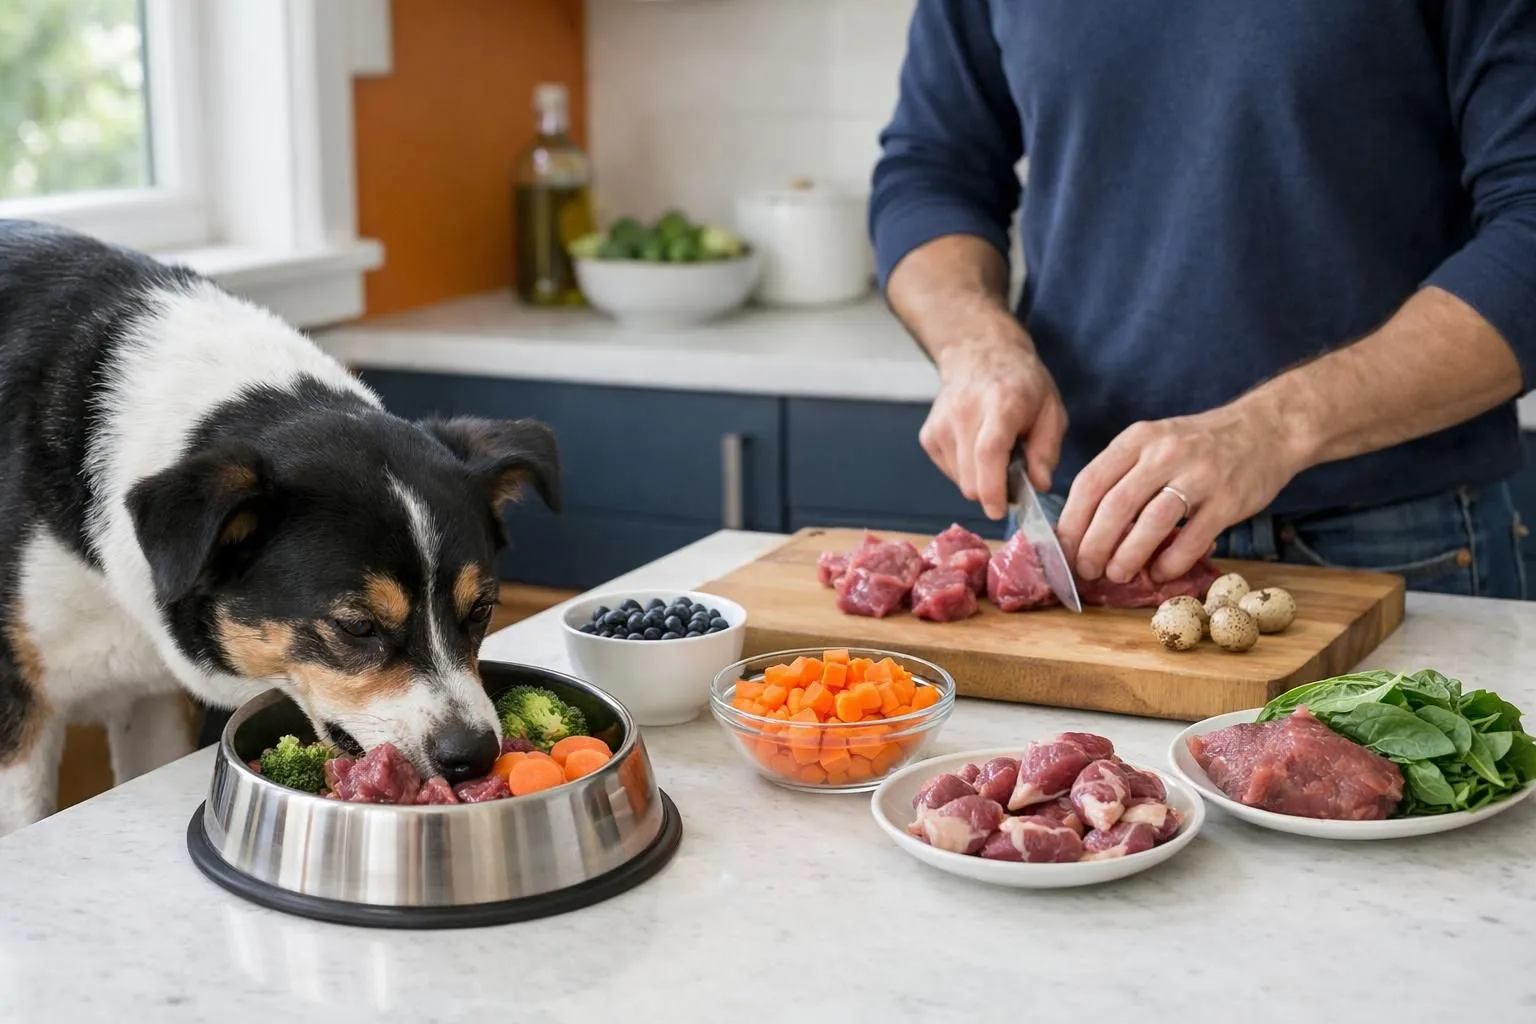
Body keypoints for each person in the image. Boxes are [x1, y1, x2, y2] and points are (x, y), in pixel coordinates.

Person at [870, 1, 1536, 598]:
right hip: (1083, 530)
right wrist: (978, 346)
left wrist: (1273, 427)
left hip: (1396, 542)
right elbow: (932, 170)